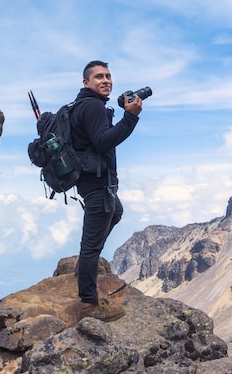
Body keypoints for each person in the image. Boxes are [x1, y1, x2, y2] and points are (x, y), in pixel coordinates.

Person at [70, 60, 142, 321]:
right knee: (90, 246)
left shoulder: (85, 105)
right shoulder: (92, 107)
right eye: (98, 77)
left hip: (93, 181)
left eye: (108, 76)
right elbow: (102, 142)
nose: (106, 80)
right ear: (86, 82)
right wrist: (131, 117)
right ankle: (89, 303)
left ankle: (84, 265)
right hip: (97, 184)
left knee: (116, 211)